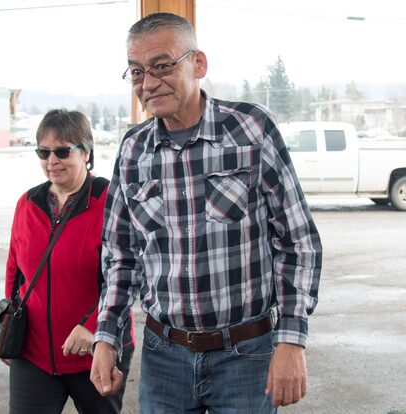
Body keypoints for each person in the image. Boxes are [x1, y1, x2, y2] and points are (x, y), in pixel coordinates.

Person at [90, 12, 323, 414]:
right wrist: (106, 337)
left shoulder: (251, 130)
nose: (148, 83)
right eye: (137, 72)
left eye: (162, 65)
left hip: (246, 354)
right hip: (164, 357)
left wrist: (291, 340)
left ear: (198, 64)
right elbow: (121, 257)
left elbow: (297, 243)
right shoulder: (132, 150)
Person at [3, 109, 134, 414]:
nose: (52, 160)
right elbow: (14, 270)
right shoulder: (27, 203)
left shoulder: (112, 201)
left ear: (86, 152)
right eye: (44, 152)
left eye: (62, 151)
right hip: (33, 355)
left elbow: (128, 275)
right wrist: (10, 325)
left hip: (96, 351)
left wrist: (93, 327)